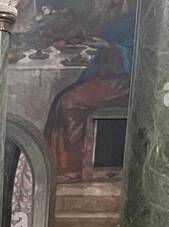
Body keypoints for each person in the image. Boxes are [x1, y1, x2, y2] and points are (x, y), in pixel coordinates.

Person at [43, 2, 135, 181]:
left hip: (126, 81)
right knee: (61, 98)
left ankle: (72, 168)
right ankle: (54, 163)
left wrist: (110, 48)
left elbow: (137, 54)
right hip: (111, 74)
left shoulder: (138, 17)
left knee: (70, 103)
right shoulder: (112, 16)